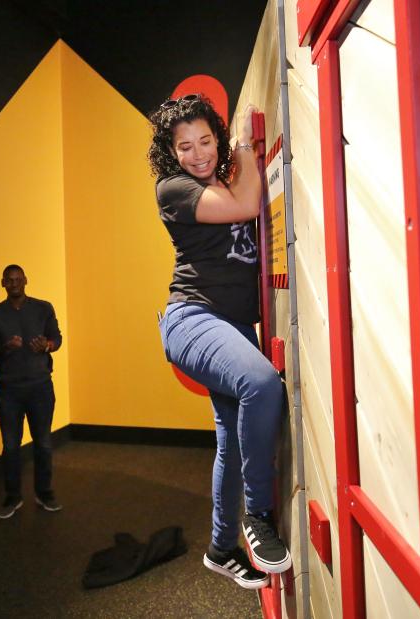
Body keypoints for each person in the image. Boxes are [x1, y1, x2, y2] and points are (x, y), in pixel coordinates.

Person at [148, 94, 290, 590]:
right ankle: (258, 515)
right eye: (185, 146)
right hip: (193, 318)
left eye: (206, 140)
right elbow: (248, 205)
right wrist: (247, 148)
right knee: (262, 383)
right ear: (171, 152)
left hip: (232, 327)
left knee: (231, 437)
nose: (198, 154)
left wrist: (240, 162)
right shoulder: (173, 189)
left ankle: (221, 547)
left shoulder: (222, 180)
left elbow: (243, 199)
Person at [0, 264, 63, 518]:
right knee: (10, 446)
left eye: (18, 279)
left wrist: (47, 345)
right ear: (3, 283)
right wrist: (6, 347)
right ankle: (13, 496)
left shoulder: (43, 308)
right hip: (9, 389)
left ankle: (44, 492)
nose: (14, 283)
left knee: (44, 443)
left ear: (26, 280)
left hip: (40, 386)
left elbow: (56, 339)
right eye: (9, 279)